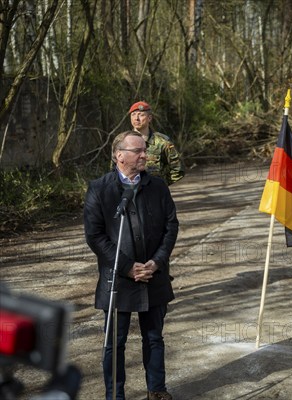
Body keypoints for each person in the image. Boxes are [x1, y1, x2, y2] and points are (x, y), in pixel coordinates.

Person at [84, 130, 179, 400]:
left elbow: (171, 226)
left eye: (144, 151)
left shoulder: (158, 186)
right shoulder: (99, 189)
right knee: (115, 344)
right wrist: (126, 266)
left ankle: (157, 391)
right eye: (138, 151)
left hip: (154, 276)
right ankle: (115, 395)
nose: (144, 155)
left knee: (154, 338)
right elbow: (95, 236)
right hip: (118, 280)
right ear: (119, 156)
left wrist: (157, 262)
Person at [129, 101, 185, 185]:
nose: (136, 118)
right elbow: (115, 169)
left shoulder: (162, 143)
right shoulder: (122, 141)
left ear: (149, 118)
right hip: (129, 194)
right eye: (133, 114)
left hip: (154, 195)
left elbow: (178, 169)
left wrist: (160, 186)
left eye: (141, 115)